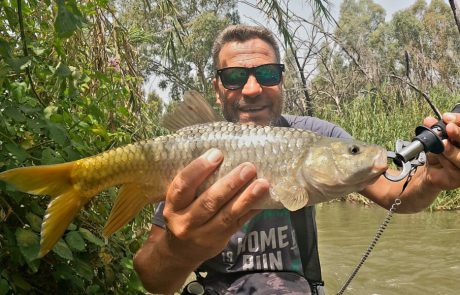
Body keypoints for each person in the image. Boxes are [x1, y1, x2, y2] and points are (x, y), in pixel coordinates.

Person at [133, 24, 460, 294]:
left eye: (267, 73)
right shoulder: (191, 149)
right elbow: (153, 279)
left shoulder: (316, 136)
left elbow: (395, 194)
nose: (251, 88)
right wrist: (182, 250)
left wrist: (430, 180)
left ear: (282, 80)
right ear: (217, 88)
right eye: (234, 77)